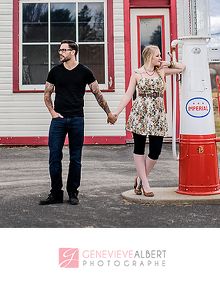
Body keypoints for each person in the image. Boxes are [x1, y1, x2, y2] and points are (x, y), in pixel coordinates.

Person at [39, 40, 117, 205]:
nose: (60, 52)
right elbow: (47, 95)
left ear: (73, 52)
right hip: (58, 121)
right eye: (59, 50)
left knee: (75, 158)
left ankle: (73, 192)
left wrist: (109, 113)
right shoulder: (55, 71)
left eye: (64, 50)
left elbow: (97, 94)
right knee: (54, 157)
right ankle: (55, 193)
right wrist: (53, 113)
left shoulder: (84, 71)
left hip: (77, 120)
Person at [114, 45, 185, 197]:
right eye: (158, 56)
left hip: (157, 115)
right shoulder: (137, 73)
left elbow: (182, 67)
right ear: (149, 57)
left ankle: (140, 179)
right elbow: (128, 95)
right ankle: (145, 184)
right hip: (140, 114)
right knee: (139, 148)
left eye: (160, 56)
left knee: (156, 150)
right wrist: (117, 112)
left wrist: (167, 62)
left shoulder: (162, 71)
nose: (160, 58)